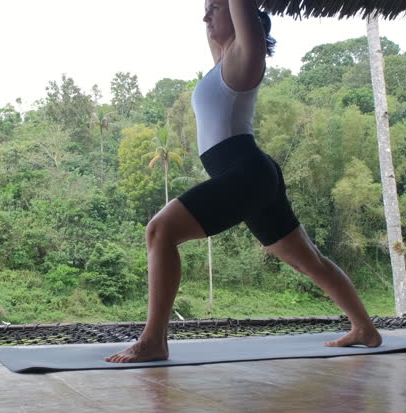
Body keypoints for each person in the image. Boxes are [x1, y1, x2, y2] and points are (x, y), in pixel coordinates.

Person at [105, 0, 382, 363]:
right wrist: (212, 10)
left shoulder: (246, 60)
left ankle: (154, 340)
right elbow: (215, 24)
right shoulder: (221, 62)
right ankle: (365, 328)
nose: (205, 16)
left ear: (244, 19)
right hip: (251, 175)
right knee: (309, 260)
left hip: (246, 172)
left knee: (160, 231)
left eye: (215, 8)